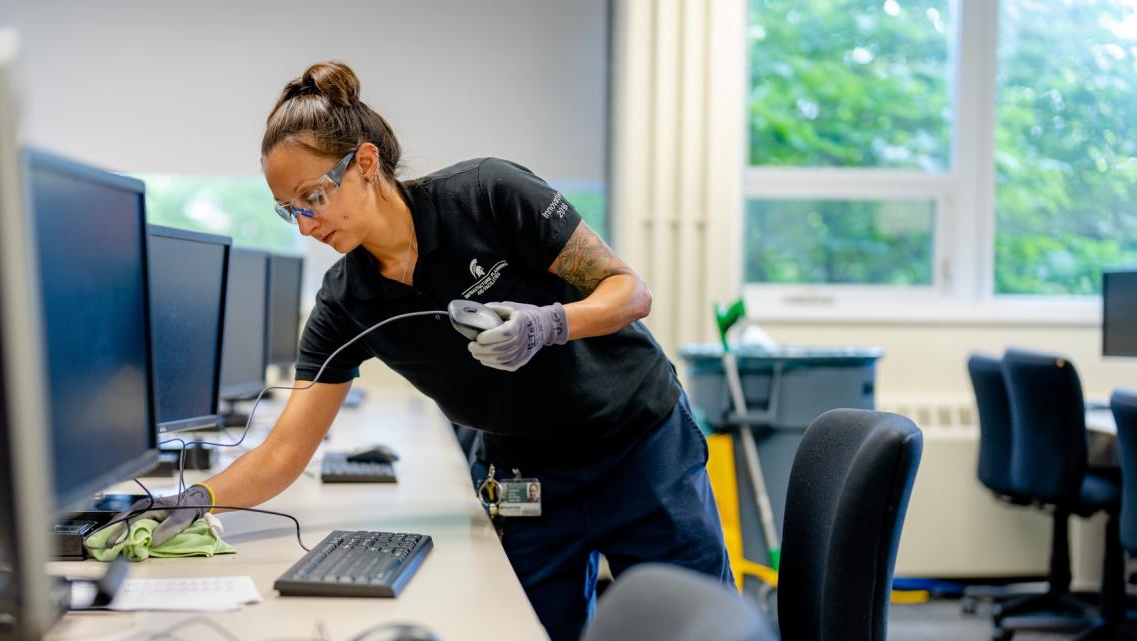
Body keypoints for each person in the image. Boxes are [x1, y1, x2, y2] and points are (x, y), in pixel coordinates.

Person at [124, 61, 731, 641]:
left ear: (364, 163)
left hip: (638, 444)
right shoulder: (346, 302)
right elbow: (285, 450)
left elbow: (631, 292)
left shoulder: (488, 195)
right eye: (290, 210)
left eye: (312, 196)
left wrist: (549, 324)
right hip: (526, 475)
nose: (306, 224)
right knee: (529, 630)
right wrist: (196, 498)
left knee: (701, 630)